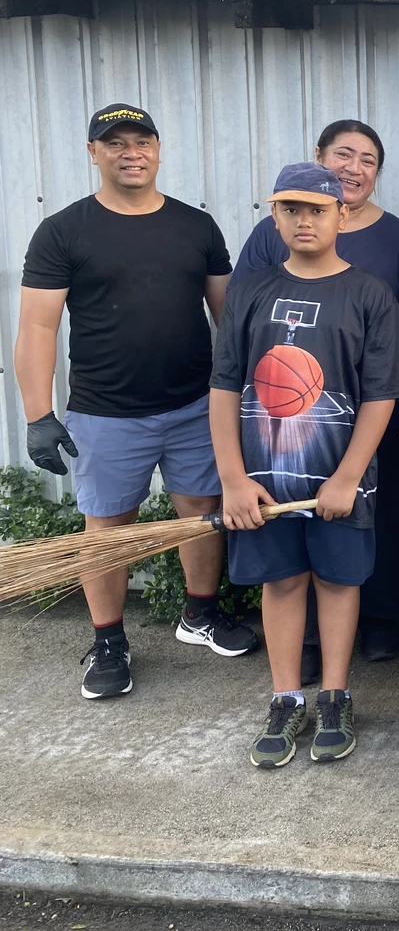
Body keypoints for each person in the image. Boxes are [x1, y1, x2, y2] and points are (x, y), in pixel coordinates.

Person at [15, 104, 257, 701]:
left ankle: (199, 615)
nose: (131, 152)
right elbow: (38, 328)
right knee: (107, 527)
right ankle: (108, 641)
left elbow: (229, 317)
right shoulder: (64, 230)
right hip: (105, 412)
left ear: (157, 149)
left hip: (194, 406)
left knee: (201, 510)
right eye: (115, 142)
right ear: (93, 152)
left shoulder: (195, 227)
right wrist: (38, 415)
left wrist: (244, 395)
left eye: (142, 140)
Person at [210, 163, 399, 768]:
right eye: (291, 210)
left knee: (337, 581)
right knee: (281, 582)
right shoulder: (250, 290)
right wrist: (232, 477)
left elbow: (381, 395)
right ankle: (284, 697)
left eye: (317, 210)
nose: (304, 221)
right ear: (274, 216)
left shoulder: (369, 294)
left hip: (338, 481)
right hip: (264, 483)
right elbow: (224, 386)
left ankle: (334, 695)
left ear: (342, 216)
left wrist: (349, 474)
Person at [231, 120, 399, 670]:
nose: (355, 167)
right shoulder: (270, 246)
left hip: (371, 402)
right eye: (344, 154)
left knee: (366, 518)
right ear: (318, 157)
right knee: (296, 540)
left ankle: (380, 621)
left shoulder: (397, 240)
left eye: (369, 159)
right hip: (281, 423)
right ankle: (306, 653)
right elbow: (238, 336)